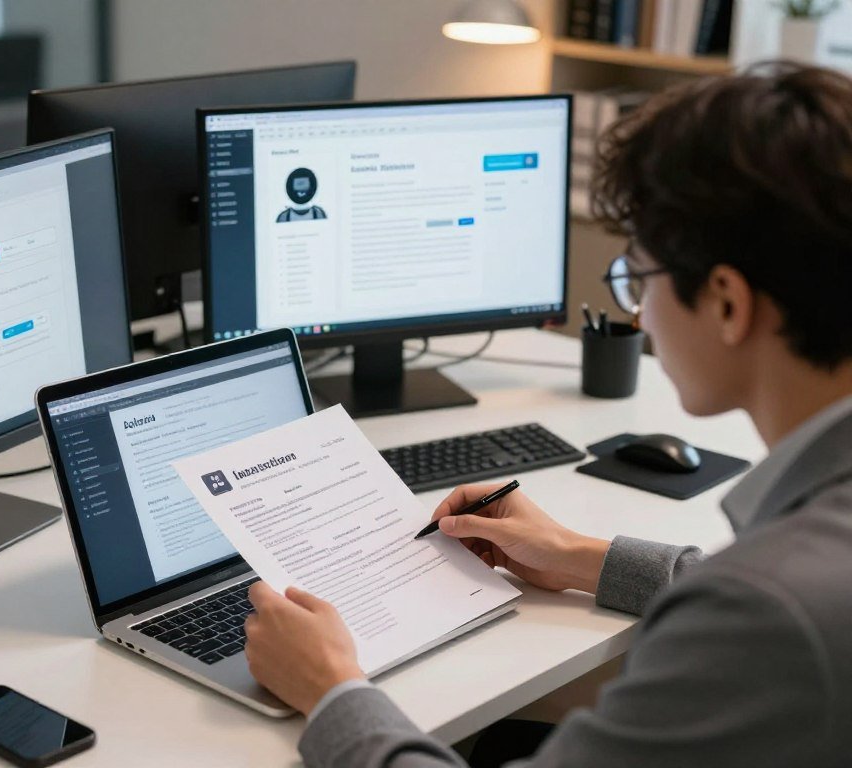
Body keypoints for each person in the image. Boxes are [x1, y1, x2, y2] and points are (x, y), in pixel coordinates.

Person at [243, 62, 852, 767]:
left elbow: (768, 613)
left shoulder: (768, 610)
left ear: (726, 302)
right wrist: (581, 558)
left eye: (638, 278)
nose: (638, 311)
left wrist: (330, 689)